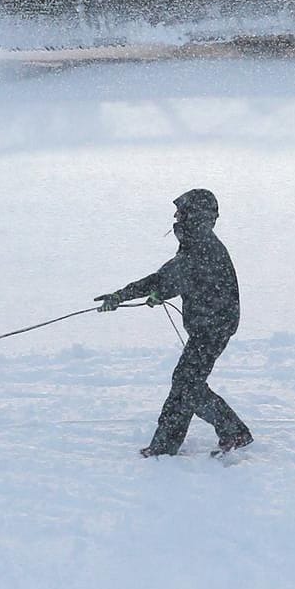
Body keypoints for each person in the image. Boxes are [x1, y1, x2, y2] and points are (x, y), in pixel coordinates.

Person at [95, 188, 254, 457]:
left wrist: (122, 296)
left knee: (187, 384)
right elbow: (178, 278)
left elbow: (164, 278)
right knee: (187, 382)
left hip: (212, 328)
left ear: (196, 217)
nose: (175, 216)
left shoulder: (200, 247)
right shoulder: (197, 243)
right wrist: (162, 292)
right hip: (209, 325)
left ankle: (227, 433)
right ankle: (191, 440)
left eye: (182, 212)